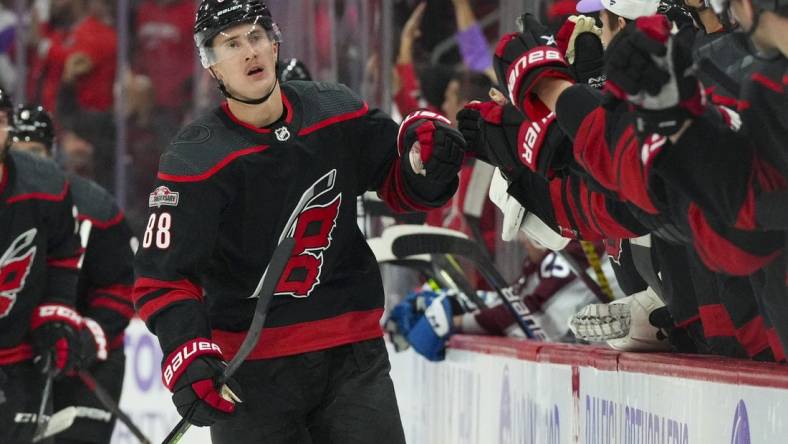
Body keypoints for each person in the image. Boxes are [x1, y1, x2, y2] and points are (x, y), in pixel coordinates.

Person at [132, 1, 465, 443]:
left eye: (255, 37)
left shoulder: (336, 111)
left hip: (351, 358)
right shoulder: (195, 158)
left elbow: (401, 184)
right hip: (250, 373)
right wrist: (188, 352)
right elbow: (163, 278)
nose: (249, 52)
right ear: (212, 68)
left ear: (274, 44)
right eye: (231, 44)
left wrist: (431, 165)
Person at [10, 104, 136, 444]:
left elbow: (121, 285)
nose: (28, 164)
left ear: (51, 151)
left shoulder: (95, 207)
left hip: (89, 358)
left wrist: (86, 335)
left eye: (35, 152)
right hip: (23, 360)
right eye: (17, 153)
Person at [0, 89, 83, 443]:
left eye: (0, 120)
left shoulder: (45, 185)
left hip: (20, 356)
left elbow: (64, 255)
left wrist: (54, 315)